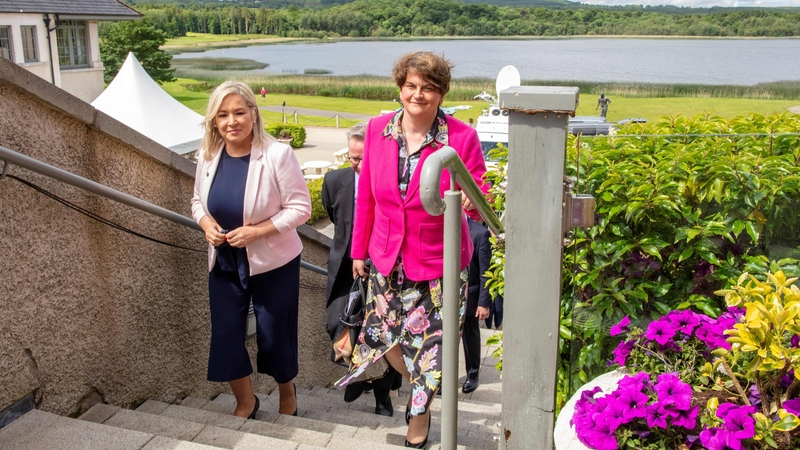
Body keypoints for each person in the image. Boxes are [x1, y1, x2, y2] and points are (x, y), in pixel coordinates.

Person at [335, 51, 488, 448]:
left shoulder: (461, 137)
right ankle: (421, 387)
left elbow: (480, 192)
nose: (418, 94)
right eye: (411, 85)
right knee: (387, 342)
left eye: (428, 88)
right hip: (387, 259)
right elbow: (368, 198)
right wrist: (358, 252)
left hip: (440, 263)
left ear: (441, 93)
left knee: (434, 351)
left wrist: (472, 200)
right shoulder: (377, 129)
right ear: (400, 87)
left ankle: (418, 422)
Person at [191, 80, 311, 420]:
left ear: (253, 114)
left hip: (274, 263)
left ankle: (287, 392)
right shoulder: (208, 155)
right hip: (225, 261)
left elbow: (300, 208)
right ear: (214, 121)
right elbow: (197, 200)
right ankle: (246, 401)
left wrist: (257, 232)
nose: (232, 122)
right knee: (226, 335)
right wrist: (205, 223)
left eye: (239, 113)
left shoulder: (277, 155)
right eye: (223, 115)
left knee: (274, 336)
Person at [321, 122, 400, 416]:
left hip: (384, 270)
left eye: (361, 158)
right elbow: (335, 216)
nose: (355, 164)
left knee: (382, 335)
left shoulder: (391, 181)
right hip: (346, 272)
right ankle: (360, 374)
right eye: (351, 157)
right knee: (336, 325)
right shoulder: (333, 181)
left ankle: (382, 398)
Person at [461, 217, 492, 394]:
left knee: (470, 337)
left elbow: (485, 272)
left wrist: (483, 303)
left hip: (470, 295)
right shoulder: (441, 228)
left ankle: (472, 375)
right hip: (443, 294)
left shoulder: (480, 233)